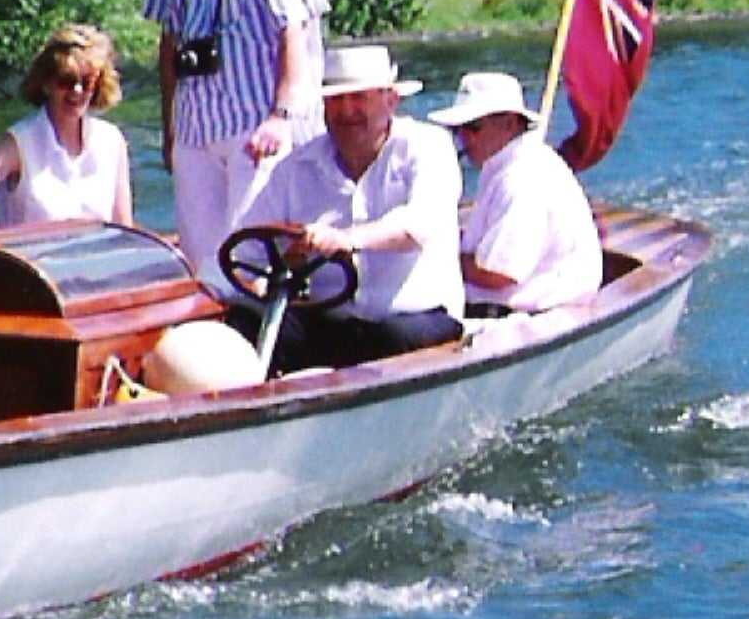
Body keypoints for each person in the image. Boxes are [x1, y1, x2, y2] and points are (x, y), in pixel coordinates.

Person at [142, 0, 328, 296]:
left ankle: (269, 349)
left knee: (252, 259)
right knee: (205, 265)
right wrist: (170, 128)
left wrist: (281, 116)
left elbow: (295, 31)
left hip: (255, 127)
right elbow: (169, 41)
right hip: (196, 125)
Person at [233, 43, 464, 373]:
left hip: (417, 321)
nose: (346, 111)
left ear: (391, 101)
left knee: (392, 338)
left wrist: (347, 239)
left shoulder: (428, 147)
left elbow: (418, 226)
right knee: (245, 319)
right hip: (334, 324)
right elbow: (246, 247)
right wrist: (278, 260)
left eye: (359, 98)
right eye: (336, 100)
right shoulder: (296, 168)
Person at [428, 69, 604, 315]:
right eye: (457, 129)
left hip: (530, 313)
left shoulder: (523, 178)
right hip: (504, 302)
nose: (463, 138)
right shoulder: (503, 164)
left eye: (472, 127)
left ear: (510, 123)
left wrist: (434, 257)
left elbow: (499, 274)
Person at [0, 24, 133, 229]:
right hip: (31, 259)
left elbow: (123, 228)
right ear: (47, 82)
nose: (76, 91)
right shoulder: (17, 143)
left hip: (95, 258)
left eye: (86, 82)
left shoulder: (111, 140)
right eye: (66, 81)